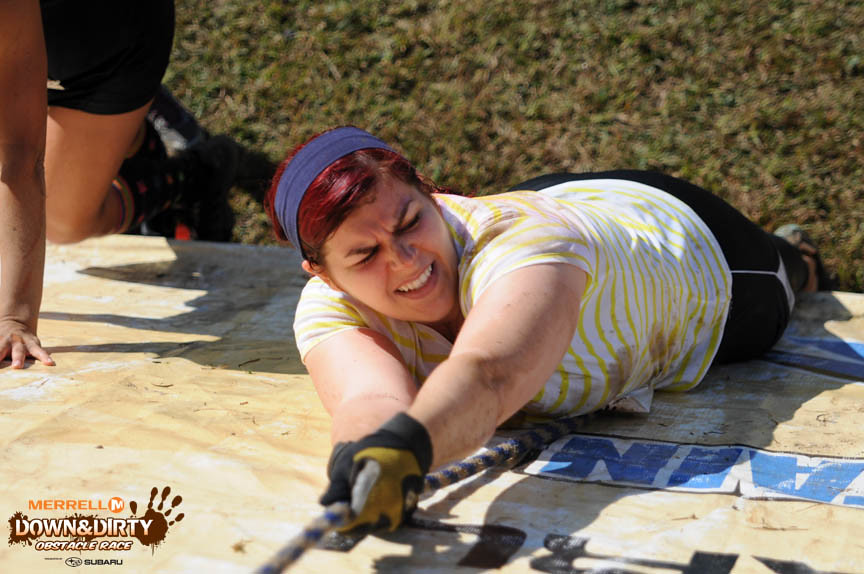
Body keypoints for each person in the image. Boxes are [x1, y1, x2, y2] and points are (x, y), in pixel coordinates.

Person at [264, 126, 827, 533]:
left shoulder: (525, 243)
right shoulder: (329, 306)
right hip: (563, 207)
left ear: (433, 195)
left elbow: (491, 373)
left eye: (410, 221)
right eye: (365, 255)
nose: (405, 260)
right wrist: (362, 456)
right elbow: (369, 398)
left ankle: (800, 254)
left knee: (788, 280)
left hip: (697, 252)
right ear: (323, 273)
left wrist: (411, 451)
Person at [0, 0, 237, 368]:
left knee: (64, 222)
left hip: (107, 51)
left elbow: (19, 157)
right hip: (49, 44)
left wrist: (13, 318)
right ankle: (132, 138)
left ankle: (194, 174)